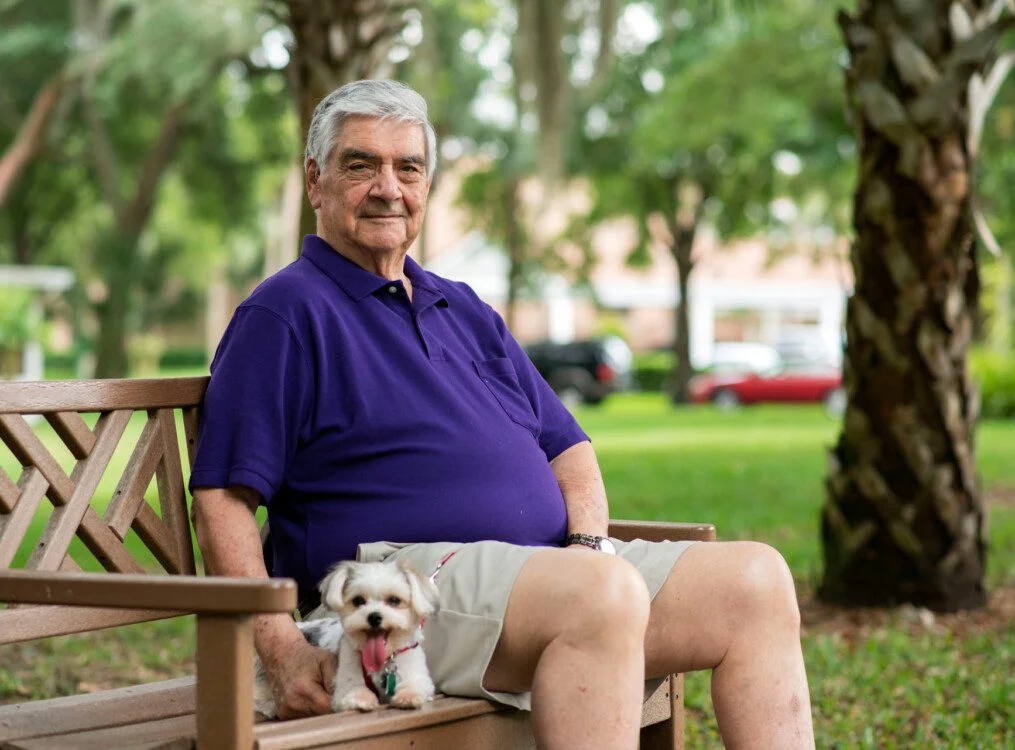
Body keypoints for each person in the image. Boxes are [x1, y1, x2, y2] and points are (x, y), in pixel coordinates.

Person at [190, 79, 815, 749]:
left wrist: (588, 551)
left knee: (755, 582)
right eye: (360, 164)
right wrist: (279, 647)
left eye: (408, 167)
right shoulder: (284, 313)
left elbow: (568, 449)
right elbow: (223, 497)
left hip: (541, 578)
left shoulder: (461, 308)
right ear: (315, 180)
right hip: (395, 589)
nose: (387, 187)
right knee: (598, 599)